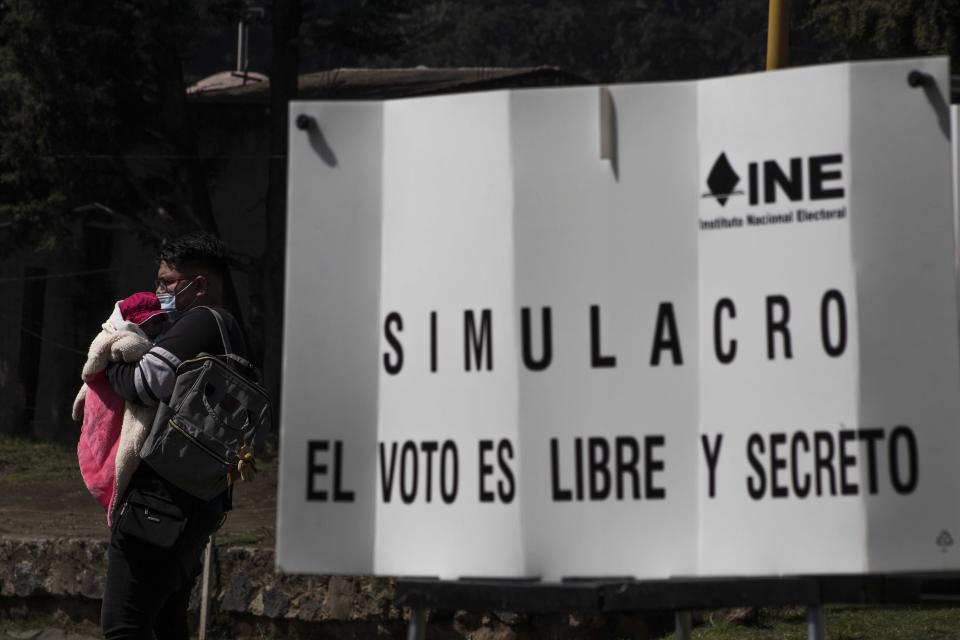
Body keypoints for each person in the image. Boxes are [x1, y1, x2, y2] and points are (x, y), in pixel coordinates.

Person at [101, 231, 248, 640]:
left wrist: (109, 362)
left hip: (159, 504)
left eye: (167, 282)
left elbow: (146, 383)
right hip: (198, 502)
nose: (159, 291)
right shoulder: (233, 331)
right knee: (165, 624)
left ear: (198, 285)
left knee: (123, 627)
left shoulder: (200, 321)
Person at [72, 292, 170, 528]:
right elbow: (124, 349)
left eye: (159, 321)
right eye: (151, 322)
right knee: (108, 449)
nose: (156, 327)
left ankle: (117, 500)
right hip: (108, 404)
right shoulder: (121, 338)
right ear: (134, 323)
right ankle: (111, 493)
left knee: (120, 452)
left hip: (120, 407)